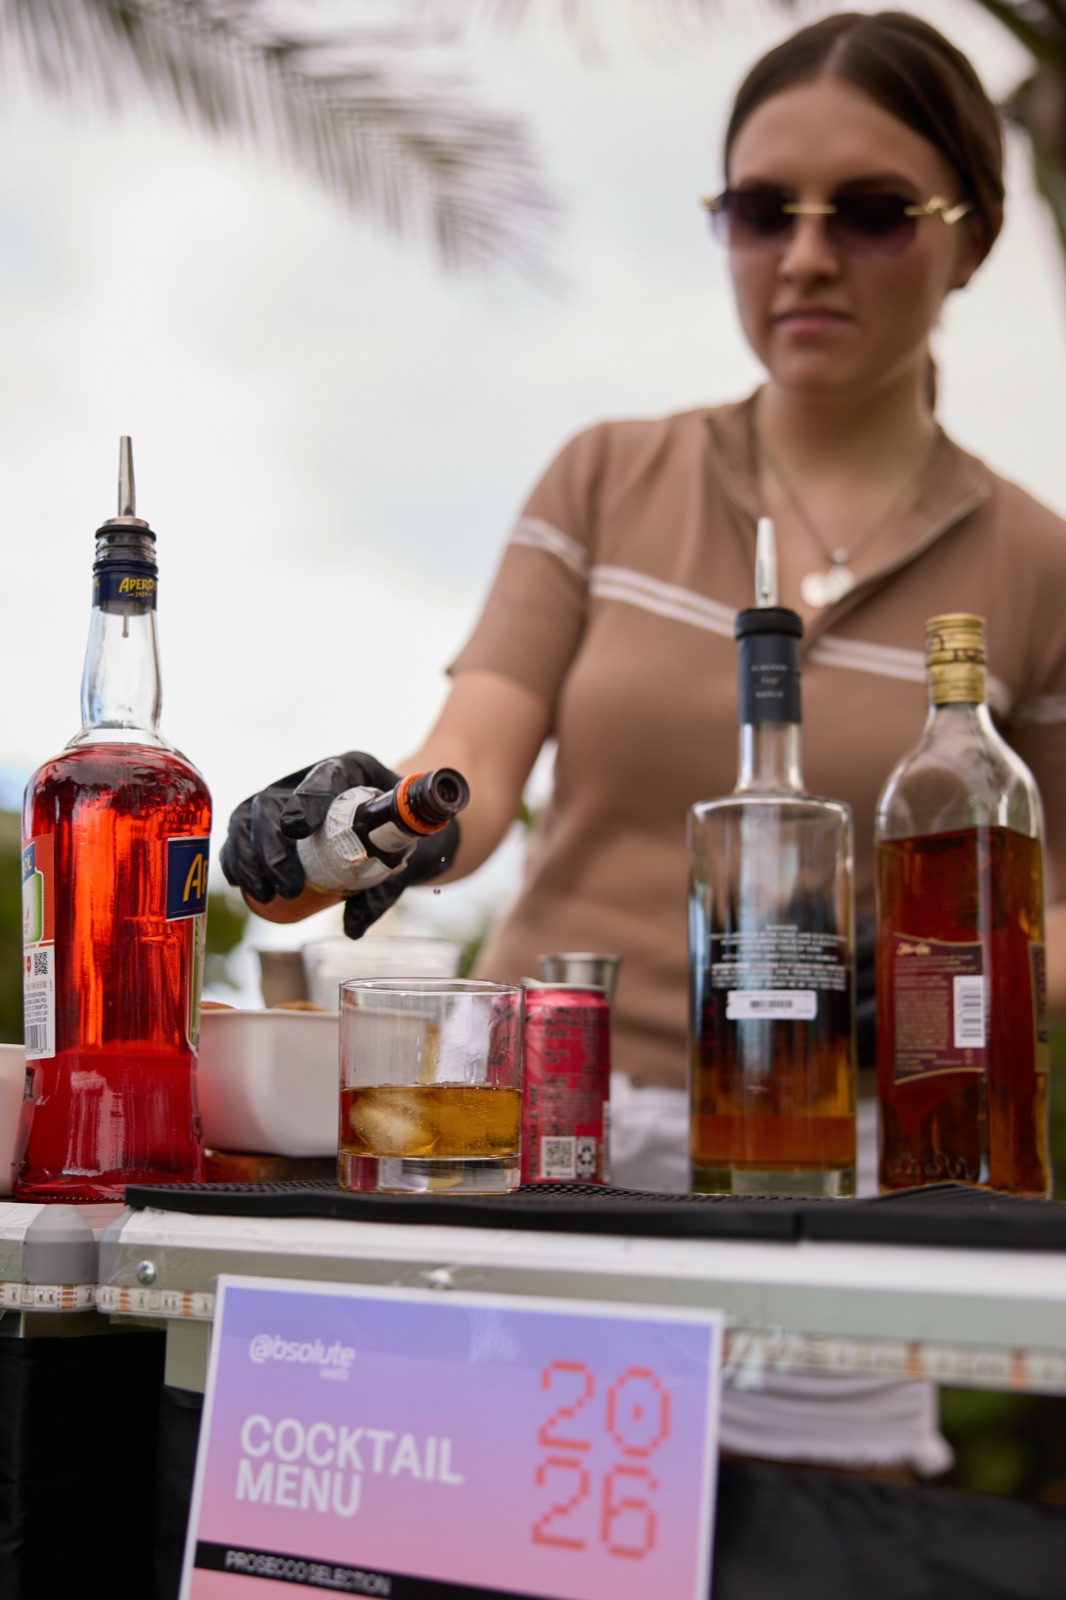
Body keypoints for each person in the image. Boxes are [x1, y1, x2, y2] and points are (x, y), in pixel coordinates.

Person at [222, 11, 1066, 1474]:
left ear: (972, 237)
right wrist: (361, 827)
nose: (802, 255)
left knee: (830, 1555)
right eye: (758, 209)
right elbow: (463, 776)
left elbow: (1048, 918)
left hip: (839, 1186)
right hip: (533, 1138)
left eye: (869, 212)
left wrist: (938, 967)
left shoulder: (1038, 568)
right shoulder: (606, 475)